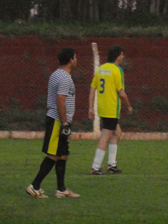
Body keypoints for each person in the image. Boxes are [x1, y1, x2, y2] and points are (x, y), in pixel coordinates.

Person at [26, 47, 81, 199]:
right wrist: (64, 123)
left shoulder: (57, 74)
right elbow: (60, 100)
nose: (76, 59)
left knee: (63, 155)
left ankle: (61, 189)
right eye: (75, 57)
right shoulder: (64, 77)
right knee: (53, 155)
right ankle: (34, 186)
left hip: (60, 120)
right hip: (57, 120)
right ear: (70, 59)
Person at [89, 45, 133, 175]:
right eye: (122, 54)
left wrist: (91, 107)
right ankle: (96, 167)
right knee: (105, 136)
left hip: (102, 107)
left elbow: (92, 89)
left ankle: (112, 165)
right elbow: (122, 93)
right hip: (111, 108)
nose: (123, 56)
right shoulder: (117, 70)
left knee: (117, 133)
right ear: (117, 56)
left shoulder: (101, 69)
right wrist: (128, 106)